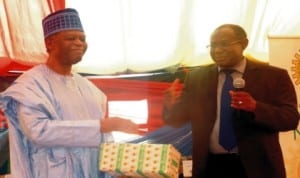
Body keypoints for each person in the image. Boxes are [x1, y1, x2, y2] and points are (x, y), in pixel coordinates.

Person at [0, 8, 139, 178]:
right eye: (71, 38)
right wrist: (101, 125)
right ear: (50, 43)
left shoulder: (91, 90)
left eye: (82, 39)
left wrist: (116, 170)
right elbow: (38, 131)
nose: (79, 43)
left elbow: (104, 139)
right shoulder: (30, 86)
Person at [163, 24, 299, 178]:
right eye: (213, 45)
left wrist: (256, 107)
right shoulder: (197, 78)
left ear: (244, 44)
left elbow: (290, 119)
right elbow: (178, 120)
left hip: (257, 168)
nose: (217, 50)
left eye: (224, 44)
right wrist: (170, 106)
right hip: (210, 166)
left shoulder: (273, 76)